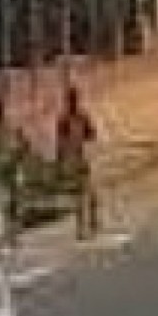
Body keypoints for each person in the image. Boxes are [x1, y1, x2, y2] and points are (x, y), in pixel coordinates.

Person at [55, 83, 101, 241]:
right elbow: (60, 142)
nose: (74, 102)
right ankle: (81, 228)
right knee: (80, 196)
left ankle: (92, 223)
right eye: (71, 99)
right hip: (73, 160)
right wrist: (61, 161)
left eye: (74, 99)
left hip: (82, 157)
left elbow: (91, 134)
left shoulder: (82, 117)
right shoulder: (64, 120)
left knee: (91, 193)